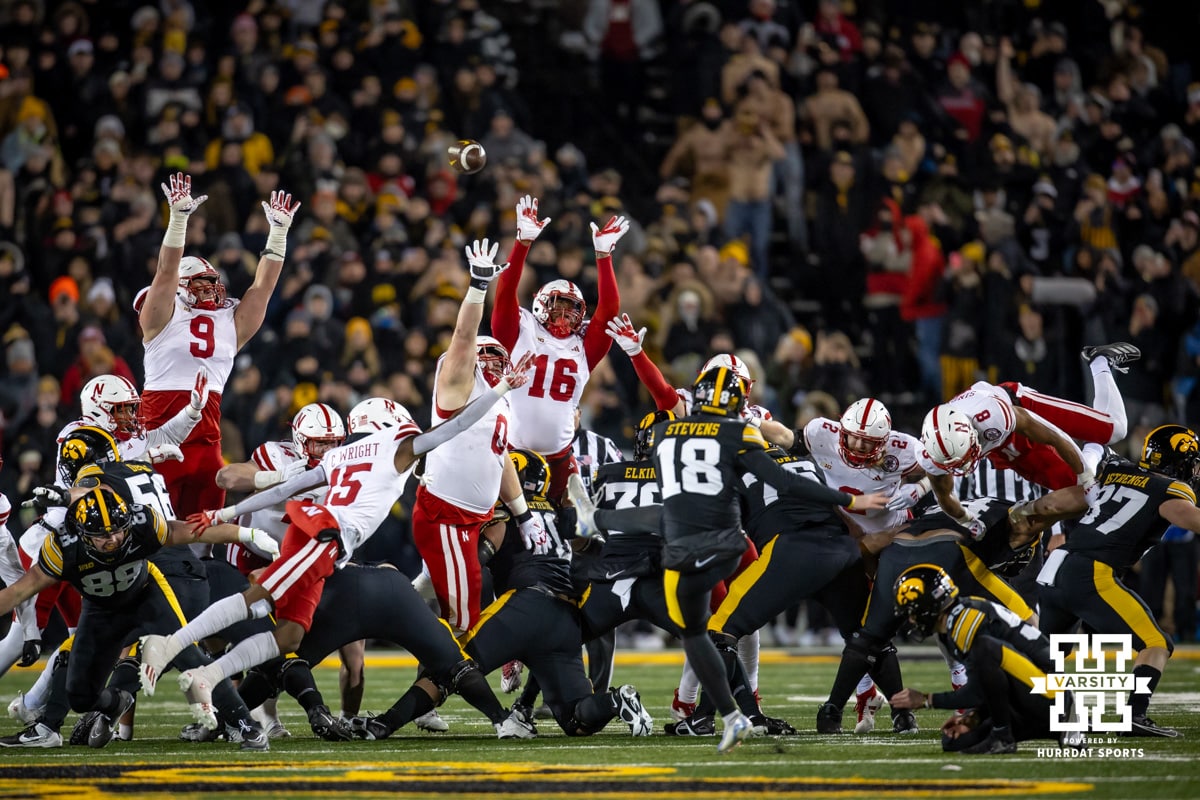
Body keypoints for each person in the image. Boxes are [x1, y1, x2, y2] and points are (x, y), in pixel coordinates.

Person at [136, 356, 532, 730]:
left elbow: (285, 488)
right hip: (323, 534)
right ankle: (171, 646)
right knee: (260, 598)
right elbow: (455, 426)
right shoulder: (397, 446)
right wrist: (499, 390)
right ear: (393, 427)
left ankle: (209, 673)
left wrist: (221, 515)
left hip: (326, 541)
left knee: (289, 637)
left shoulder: (341, 455)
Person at [651, 365, 887, 753]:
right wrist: (849, 501)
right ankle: (724, 710)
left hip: (694, 534)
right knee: (721, 628)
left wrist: (637, 354)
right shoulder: (740, 430)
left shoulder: (673, 430)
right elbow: (785, 466)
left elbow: (781, 441)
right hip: (737, 536)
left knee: (712, 629)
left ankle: (714, 710)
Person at [0, 438, 278, 750]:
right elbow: (18, 591)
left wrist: (245, 534)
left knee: (185, 651)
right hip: (101, 611)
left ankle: (247, 725)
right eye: (102, 536)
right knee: (80, 695)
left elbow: (190, 530)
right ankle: (115, 702)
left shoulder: (141, 522)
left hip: (147, 594)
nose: (113, 539)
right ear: (82, 533)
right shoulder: (63, 547)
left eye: (117, 529)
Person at [1012, 424, 1200, 738]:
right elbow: (1191, 519)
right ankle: (1134, 716)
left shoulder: (1116, 470)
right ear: (1179, 460)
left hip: (1056, 567)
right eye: (1193, 461)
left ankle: (1031, 713)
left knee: (1047, 653)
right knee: (1156, 643)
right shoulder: (1170, 490)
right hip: (1090, 572)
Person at [459, 449, 654, 741]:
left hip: (525, 606)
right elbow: (592, 546)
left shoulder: (503, 512)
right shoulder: (559, 511)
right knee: (575, 719)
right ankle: (615, 700)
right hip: (567, 610)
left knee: (452, 663)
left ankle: (399, 719)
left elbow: (471, 565)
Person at [139, 172, 300, 518]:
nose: (211, 288)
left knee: (203, 533)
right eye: (201, 282)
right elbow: (165, 272)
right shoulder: (160, 316)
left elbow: (263, 287)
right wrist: (179, 220)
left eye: (213, 281)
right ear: (182, 287)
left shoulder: (229, 321)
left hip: (207, 439)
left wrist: (278, 234)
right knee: (152, 531)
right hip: (157, 435)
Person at [413, 240, 546, 640]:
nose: (489, 364)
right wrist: (477, 287)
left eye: (496, 358)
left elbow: (499, 457)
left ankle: (409, 597)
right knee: (465, 624)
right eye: (481, 358)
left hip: (475, 518)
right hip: (446, 515)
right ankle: (424, 692)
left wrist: (523, 514)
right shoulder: (457, 384)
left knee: (463, 613)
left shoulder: (501, 403)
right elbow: (463, 335)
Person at [212, 400, 347, 737]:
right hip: (251, 555)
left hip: (297, 559)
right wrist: (277, 477)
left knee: (280, 641)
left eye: (334, 442)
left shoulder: (346, 463)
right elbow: (226, 476)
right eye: (321, 443)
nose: (329, 450)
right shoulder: (278, 455)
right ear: (300, 440)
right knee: (248, 637)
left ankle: (262, 715)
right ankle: (242, 716)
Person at [490, 195, 628, 501]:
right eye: (557, 306)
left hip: (560, 456)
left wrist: (603, 256)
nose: (563, 315)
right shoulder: (520, 328)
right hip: (510, 449)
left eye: (570, 309)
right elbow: (505, 294)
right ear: (540, 305)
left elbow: (608, 309)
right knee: (501, 520)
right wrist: (522, 242)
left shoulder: (584, 346)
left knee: (579, 526)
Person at [918, 342, 1141, 524]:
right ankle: (1095, 452)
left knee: (1115, 430)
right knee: (1073, 490)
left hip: (1020, 407)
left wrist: (1087, 477)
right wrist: (969, 523)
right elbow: (944, 494)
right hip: (1001, 444)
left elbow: (1054, 435)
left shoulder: (994, 416)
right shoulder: (934, 450)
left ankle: (1100, 360)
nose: (964, 465)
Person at [888, 565, 1069, 755]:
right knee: (953, 740)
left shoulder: (966, 622)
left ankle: (1002, 736)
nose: (911, 620)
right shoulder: (954, 622)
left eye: (912, 612)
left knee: (985, 649)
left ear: (928, 606)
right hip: (1027, 694)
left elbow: (976, 691)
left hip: (1049, 693)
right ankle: (1034, 730)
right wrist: (975, 716)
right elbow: (991, 684)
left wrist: (926, 699)